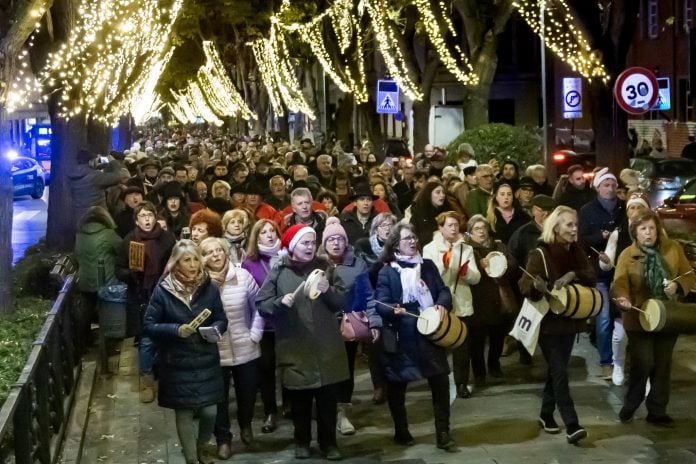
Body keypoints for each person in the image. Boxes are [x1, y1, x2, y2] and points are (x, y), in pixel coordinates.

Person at [256, 224, 348, 460]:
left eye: (312, 242)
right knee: (301, 403)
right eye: (305, 243)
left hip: (326, 346)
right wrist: (279, 303)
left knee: (327, 402)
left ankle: (329, 444)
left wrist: (329, 291)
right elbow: (262, 304)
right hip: (295, 347)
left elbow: (341, 302)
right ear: (293, 245)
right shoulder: (278, 271)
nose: (310, 247)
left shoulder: (325, 268)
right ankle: (302, 441)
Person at [144, 240, 228, 464]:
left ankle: (201, 447)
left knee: (210, 411)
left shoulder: (209, 288)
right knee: (184, 413)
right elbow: (149, 325)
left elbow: (221, 318)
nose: (192, 265)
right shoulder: (163, 290)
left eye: (195, 259)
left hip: (205, 359)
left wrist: (217, 329)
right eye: (186, 260)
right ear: (176, 263)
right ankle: (191, 458)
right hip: (176, 361)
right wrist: (175, 330)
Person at [518, 206, 596, 445]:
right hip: (549, 324)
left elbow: (590, 275)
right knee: (560, 371)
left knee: (556, 371)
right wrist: (536, 287)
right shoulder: (540, 253)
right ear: (556, 227)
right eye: (569, 225)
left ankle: (545, 414)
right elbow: (524, 285)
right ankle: (572, 424)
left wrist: (573, 275)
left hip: (570, 320)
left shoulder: (576, 250)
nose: (574, 229)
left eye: (575, 224)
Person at [612, 210, 696, 427]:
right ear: (635, 233)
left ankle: (657, 410)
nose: (648, 233)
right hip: (639, 316)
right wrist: (622, 298)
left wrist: (678, 285)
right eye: (643, 229)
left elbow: (688, 275)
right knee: (644, 362)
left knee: (662, 364)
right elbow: (619, 283)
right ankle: (632, 402)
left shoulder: (673, 248)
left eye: (651, 228)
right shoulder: (627, 255)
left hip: (668, 315)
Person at [375, 223, 455, 450]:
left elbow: (443, 291)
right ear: (395, 245)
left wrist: (441, 304)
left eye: (414, 238)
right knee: (397, 387)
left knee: (440, 382)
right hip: (402, 335)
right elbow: (381, 303)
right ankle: (401, 431)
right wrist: (393, 309)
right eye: (407, 239)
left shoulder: (427, 266)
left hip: (428, 332)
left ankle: (443, 432)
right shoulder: (387, 271)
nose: (413, 242)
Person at [200, 237, 263, 459]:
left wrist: (255, 334)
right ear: (202, 258)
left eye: (219, 250)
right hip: (215, 350)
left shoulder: (243, 276)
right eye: (209, 252)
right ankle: (223, 439)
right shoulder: (199, 283)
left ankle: (246, 426)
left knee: (247, 393)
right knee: (219, 398)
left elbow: (259, 306)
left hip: (245, 345)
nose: (216, 255)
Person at [318, 218, 381, 436]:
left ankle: (342, 412)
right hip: (321, 326)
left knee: (346, 370)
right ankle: (326, 410)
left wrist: (374, 321)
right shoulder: (315, 263)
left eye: (340, 239)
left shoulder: (357, 263)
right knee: (325, 369)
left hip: (348, 324)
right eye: (331, 239)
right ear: (324, 243)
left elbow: (367, 295)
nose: (335, 243)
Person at [115, 201, 176, 403]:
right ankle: (146, 380)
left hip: (165, 294)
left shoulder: (167, 238)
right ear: (136, 219)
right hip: (141, 296)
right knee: (147, 339)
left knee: (167, 337)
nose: (147, 220)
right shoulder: (129, 240)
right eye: (142, 216)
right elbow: (119, 270)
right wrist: (131, 274)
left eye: (150, 215)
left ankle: (165, 375)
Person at [422, 212, 481, 398]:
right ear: (440, 227)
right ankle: (438, 381)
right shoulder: (429, 249)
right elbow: (428, 277)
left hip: (461, 302)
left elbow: (476, 277)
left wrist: (465, 273)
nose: (454, 228)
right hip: (438, 304)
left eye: (456, 225)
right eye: (450, 225)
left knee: (462, 345)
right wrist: (444, 265)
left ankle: (462, 382)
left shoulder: (465, 248)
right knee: (438, 344)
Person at [578, 167, 626, 380]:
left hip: (621, 271)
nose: (610, 189)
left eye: (613, 185)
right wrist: (600, 236)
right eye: (606, 185)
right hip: (599, 273)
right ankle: (606, 362)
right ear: (598, 187)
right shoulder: (587, 210)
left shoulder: (623, 209)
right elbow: (581, 240)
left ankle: (624, 359)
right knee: (604, 318)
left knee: (626, 317)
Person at [241, 219, 283, 433]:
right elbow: (247, 296)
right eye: (263, 232)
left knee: (288, 365)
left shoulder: (286, 257)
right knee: (266, 369)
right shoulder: (250, 263)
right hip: (264, 324)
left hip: (287, 323)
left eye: (272, 231)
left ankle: (292, 405)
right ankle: (270, 411)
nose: (269, 235)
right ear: (255, 238)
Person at [466, 215, 520, 383]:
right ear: (470, 232)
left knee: (497, 336)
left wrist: (501, 264)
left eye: (483, 228)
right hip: (478, 300)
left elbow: (513, 265)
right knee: (477, 340)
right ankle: (479, 373)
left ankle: (494, 365)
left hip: (498, 298)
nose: (481, 232)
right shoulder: (468, 250)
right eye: (477, 229)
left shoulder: (498, 246)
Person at [74, 206, 122, 344]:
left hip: (85, 282)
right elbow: (121, 250)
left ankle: (85, 341)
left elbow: (76, 254)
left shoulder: (79, 235)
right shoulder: (108, 234)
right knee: (109, 308)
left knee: (88, 307)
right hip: (106, 282)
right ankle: (110, 340)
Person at [69, 149, 123, 227]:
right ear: (90, 161)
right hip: (97, 215)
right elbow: (117, 177)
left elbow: (90, 175)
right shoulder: (95, 176)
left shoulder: (75, 175)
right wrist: (113, 162)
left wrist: (97, 167)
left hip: (79, 216)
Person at [410, 181, 452, 246]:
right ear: (429, 195)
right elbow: (414, 236)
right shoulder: (418, 213)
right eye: (438, 192)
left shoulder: (449, 211)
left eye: (443, 192)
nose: (442, 195)